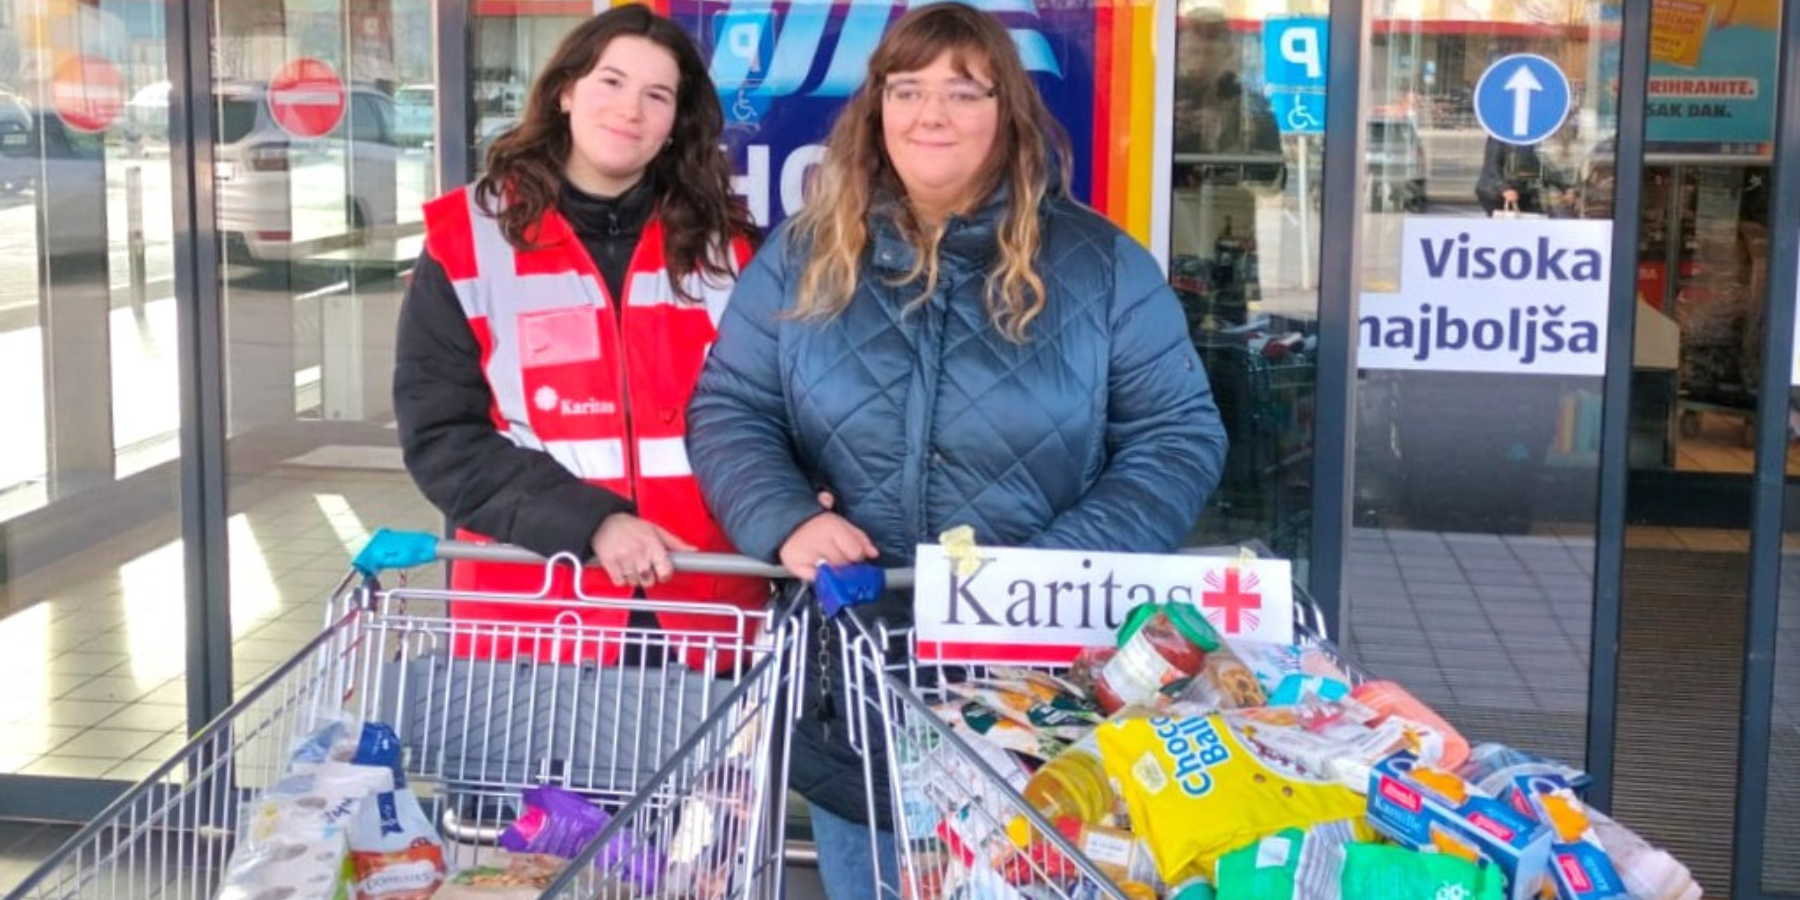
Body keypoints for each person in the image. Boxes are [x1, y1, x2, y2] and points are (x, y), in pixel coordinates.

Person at [684, 4, 1228, 896]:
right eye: (908, 89)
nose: (930, 113)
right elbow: (730, 408)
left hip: (1040, 693)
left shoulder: (1102, 266)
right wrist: (784, 522)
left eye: (962, 91)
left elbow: (1178, 436)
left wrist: (1047, 575)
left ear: (1006, 115)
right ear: (877, 109)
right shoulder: (802, 255)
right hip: (853, 679)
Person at [393, 4, 767, 665]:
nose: (631, 110)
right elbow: (444, 438)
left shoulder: (730, 250)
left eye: (658, 95)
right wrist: (592, 522)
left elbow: (774, 409)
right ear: (565, 91)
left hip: (703, 603)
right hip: (535, 609)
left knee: (705, 774)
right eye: (611, 82)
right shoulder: (468, 241)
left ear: (675, 125)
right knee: (533, 774)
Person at [1475, 136, 1569, 216]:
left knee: (1534, 219)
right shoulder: (1499, 135)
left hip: (1523, 191)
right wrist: (1504, 188)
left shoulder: (1530, 139)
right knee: (1508, 224)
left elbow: (1539, 167)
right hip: (1496, 192)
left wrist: (1564, 187)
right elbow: (1491, 165)